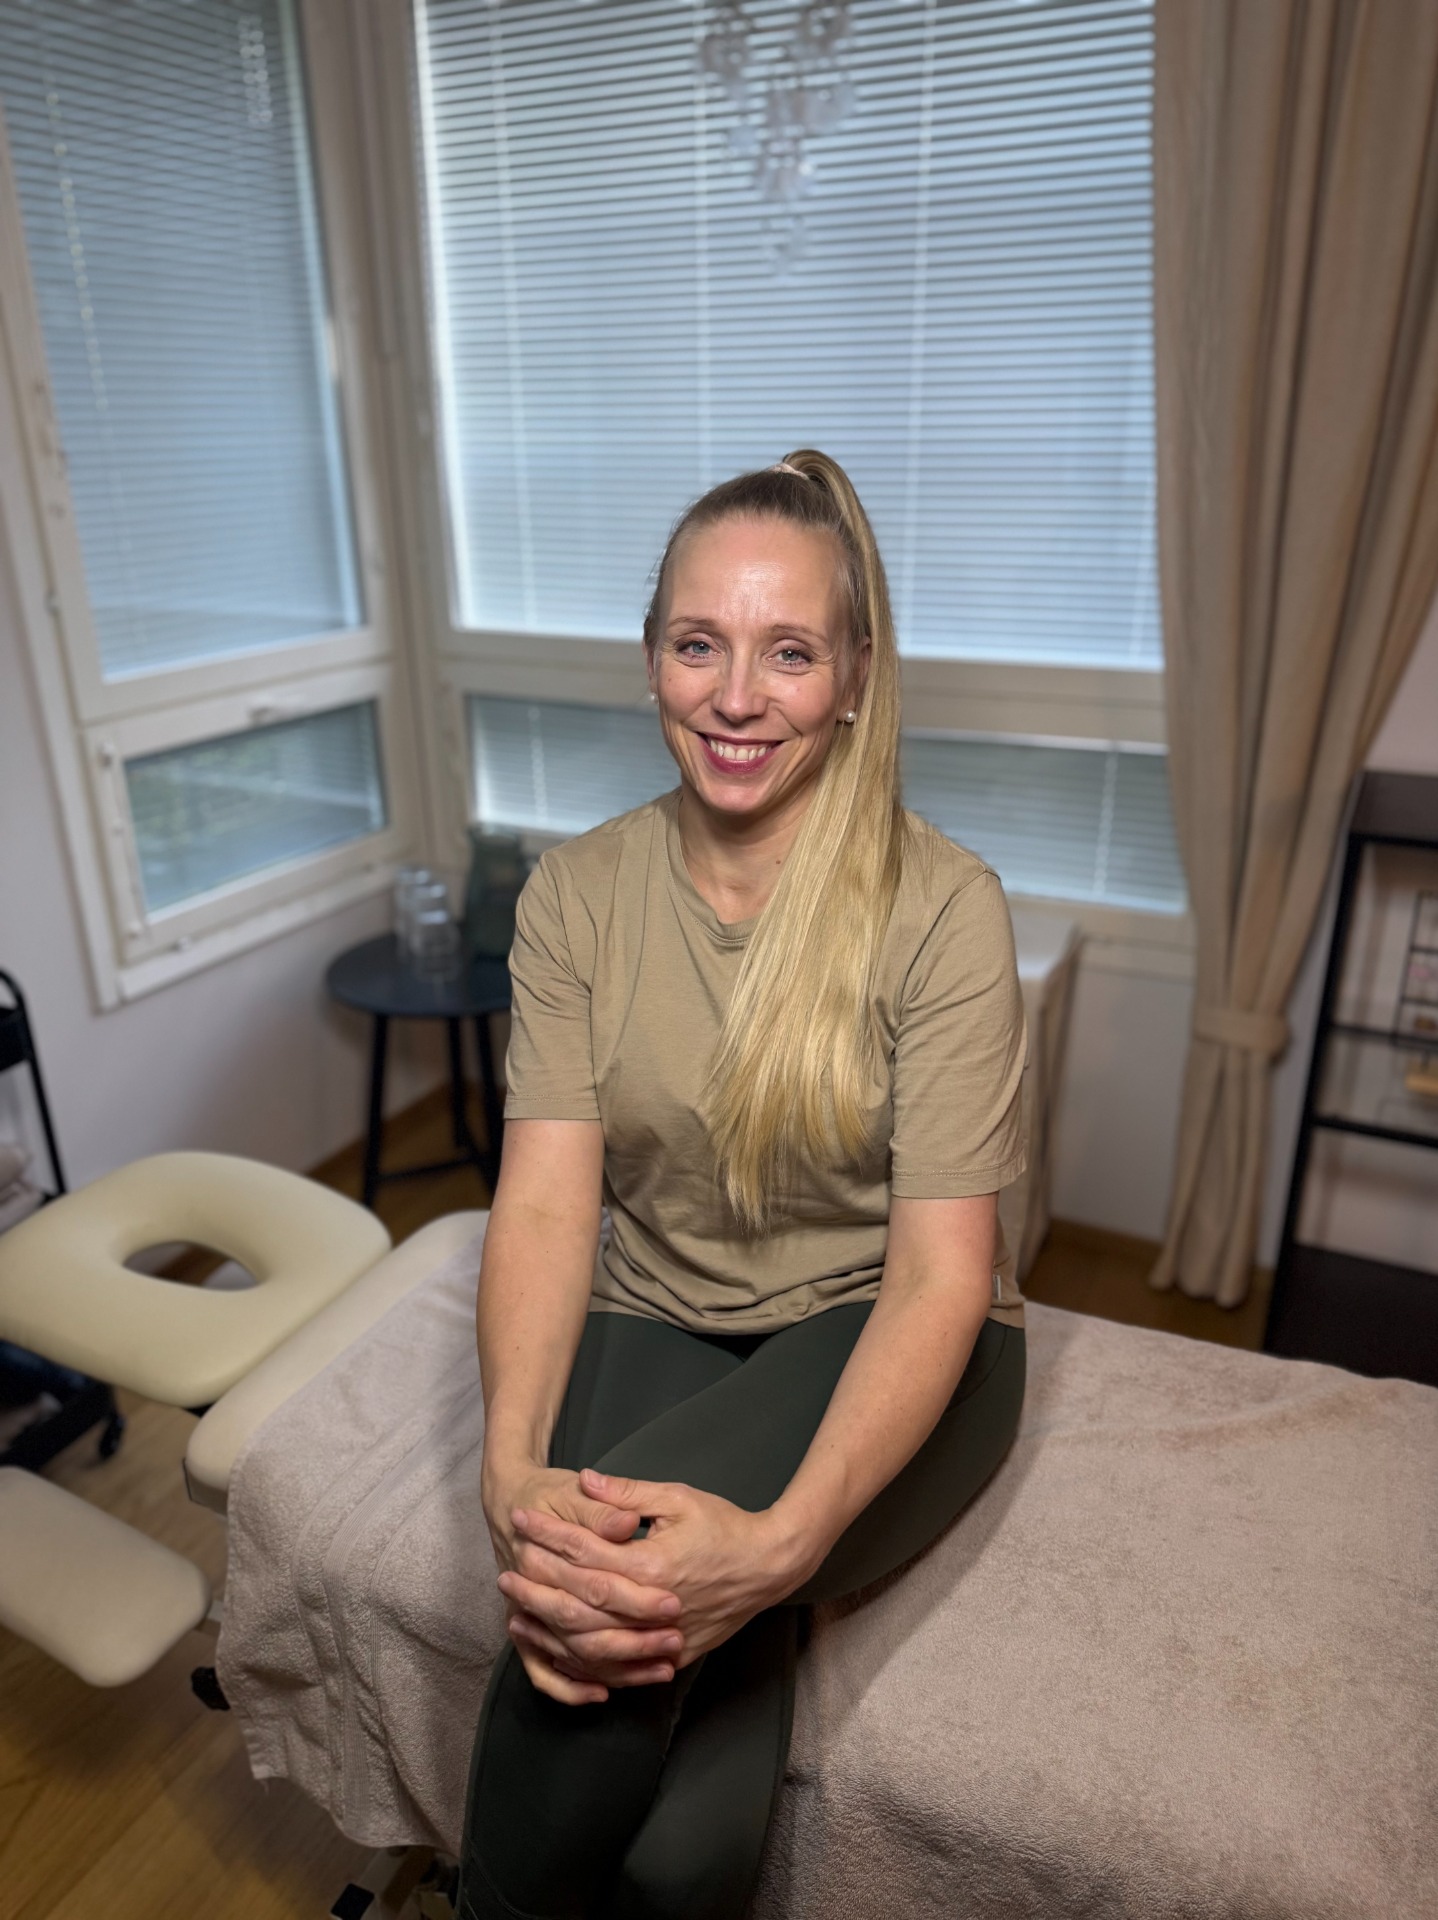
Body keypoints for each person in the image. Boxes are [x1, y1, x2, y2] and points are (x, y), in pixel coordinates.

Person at [460, 450, 1028, 1920]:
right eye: (698, 643)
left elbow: (942, 1275)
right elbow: (543, 1206)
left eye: (788, 652)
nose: (734, 696)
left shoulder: (944, 911)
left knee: (622, 1623)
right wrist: (506, 1470)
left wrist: (781, 1548)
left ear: (854, 677)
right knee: (668, 1830)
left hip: (887, 1324)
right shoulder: (575, 898)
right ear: (650, 655)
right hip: (656, 1307)